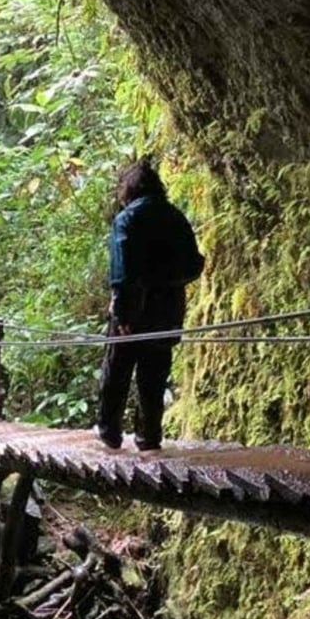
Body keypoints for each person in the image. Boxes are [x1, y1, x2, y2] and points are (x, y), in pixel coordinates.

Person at [95, 158, 204, 451]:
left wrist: (122, 311)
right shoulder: (175, 217)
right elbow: (194, 264)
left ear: (129, 188)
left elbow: (122, 271)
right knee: (154, 374)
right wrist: (166, 280)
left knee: (117, 369)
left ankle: (109, 430)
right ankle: (149, 435)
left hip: (135, 308)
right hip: (168, 309)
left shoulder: (128, 219)